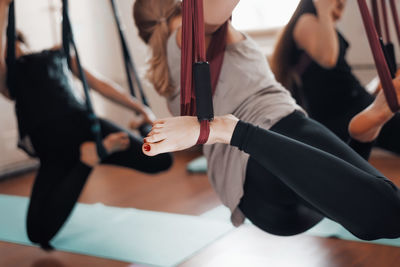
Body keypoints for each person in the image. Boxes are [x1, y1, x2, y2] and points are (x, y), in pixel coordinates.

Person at [133, 0, 400, 240]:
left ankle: (362, 135)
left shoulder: (166, 68)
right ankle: (231, 129)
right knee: (388, 211)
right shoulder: (191, 34)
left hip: (256, 200)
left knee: (355, 199)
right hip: (273, 133)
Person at [0, 0, 172, 250]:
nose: (13, 49)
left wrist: (140, 109)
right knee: (37, 233)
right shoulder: (9, 77)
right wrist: (5, 7)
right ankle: (89, 160)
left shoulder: (58, 54)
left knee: (160, 160)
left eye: (16, 42)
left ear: (24, 42)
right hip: (53, 145)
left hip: (84, 127)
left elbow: (100, 84)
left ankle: (99, 151)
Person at [270, 0, 400, 153]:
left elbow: (338, 76)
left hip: (351, 103)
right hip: (343, 112)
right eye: (338, 4)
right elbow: (329, 60)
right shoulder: (306, 21)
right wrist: (324, 10)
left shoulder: (319, 23)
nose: (341, 10)